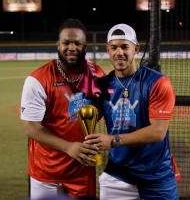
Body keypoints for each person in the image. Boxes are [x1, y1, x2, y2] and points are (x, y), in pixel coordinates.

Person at [85, 24, 179, 200]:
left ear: (135, 49)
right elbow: (84, 116)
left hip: (156, 175)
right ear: (107, 50)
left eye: (124, 46)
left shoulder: (157, 82)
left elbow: (158, 132)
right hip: (118, 175)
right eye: (113, 47)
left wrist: (112, 141)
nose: (119, 52)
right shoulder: (102, 85)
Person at [20, 18, 105, 199]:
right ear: (58, 44)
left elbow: (101, 109)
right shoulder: (38, 79)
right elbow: (31, 127)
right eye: (66, 42)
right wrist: (68, 147)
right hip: (46, 172)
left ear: (85, 45)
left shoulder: (97, 74)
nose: (71, 47)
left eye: (77, 43)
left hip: (82, 169)